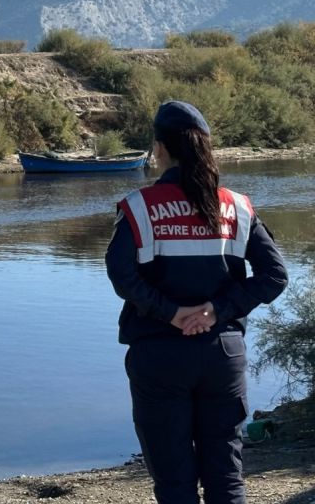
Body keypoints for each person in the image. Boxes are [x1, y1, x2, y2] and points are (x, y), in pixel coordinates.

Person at [105, 101, 288, 504]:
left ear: (159, 148)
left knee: (174, 483)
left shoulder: (138, 208)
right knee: (226, 478)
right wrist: (216, 311)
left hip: (159, 355)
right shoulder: (238, 207)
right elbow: (274, 277)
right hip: (222, 355)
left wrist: (171, 313)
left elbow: (122, 276)